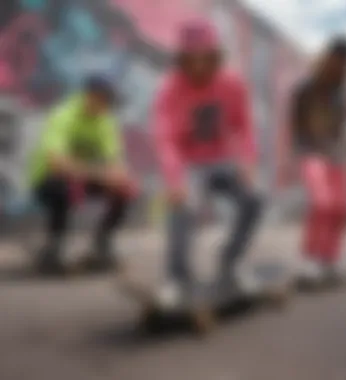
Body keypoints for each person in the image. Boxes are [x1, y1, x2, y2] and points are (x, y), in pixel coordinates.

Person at [153, 18, 262, 304]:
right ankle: (177, 278)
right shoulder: (170, 89)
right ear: (182, 59)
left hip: (222, 160)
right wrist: (176, 181)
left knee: (254, 198)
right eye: (192, 59)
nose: (199, 67)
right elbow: (167, 140)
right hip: (189, 165)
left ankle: (231, 262)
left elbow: (244, 127)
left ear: (216, 57)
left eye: (206, 59)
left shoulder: (232, 84)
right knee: (182, 206)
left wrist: (248, 161)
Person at [30, 75, 136, 275]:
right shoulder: (64, 115)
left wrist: (119, 177)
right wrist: (100, 174)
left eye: (110, 101)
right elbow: (56, 163)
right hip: (48, 179)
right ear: (90, 96)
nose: (107, 105)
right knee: (60, 189)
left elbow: (115, 163)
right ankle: (54, 249)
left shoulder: (105, 121)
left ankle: (102, 245)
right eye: (104, 99)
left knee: (125, 188)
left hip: (84, 178)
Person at [290, 37, 346, 282]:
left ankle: (329, 261)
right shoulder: (307, 88)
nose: (340, 66)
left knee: (341, 209)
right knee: (322, 204)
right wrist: (297, 152)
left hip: (337, 155)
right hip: (312, 152)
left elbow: (344, 128)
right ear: (328, 58)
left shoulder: (342, 93)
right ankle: (310, 260)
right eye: (337, 60)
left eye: (345, 63)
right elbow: (296, 123)